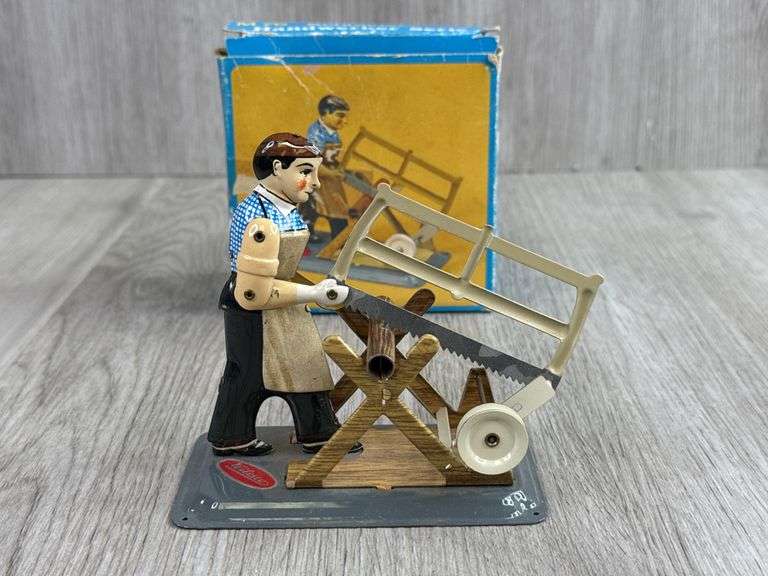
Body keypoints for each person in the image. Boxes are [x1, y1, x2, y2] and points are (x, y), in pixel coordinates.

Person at [207, 132, 361, 456]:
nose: (316, 182)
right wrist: (313, 293)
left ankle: (318, 432)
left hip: (283, 299)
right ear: (278, 168)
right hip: (253, 311)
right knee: (248, 376)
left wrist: (318, 289)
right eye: (306, 172)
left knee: (305, 366)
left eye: (315, 172)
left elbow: (282, 270)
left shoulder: (285, 209)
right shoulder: (259, 219)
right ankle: (232, 435)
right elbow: (254, 291)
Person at [304, 95, 352, 241]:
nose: (345, 121)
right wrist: (331, 173)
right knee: (320, 206)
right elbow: (314, 161)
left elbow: (331, 157)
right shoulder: (316, 133)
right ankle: (337, 238)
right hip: (317, 176)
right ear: (325, 113)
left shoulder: (333, 133)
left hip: (329, 175)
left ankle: (340, 237)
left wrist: (337, 169)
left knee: (334, 205)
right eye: (340, 116)